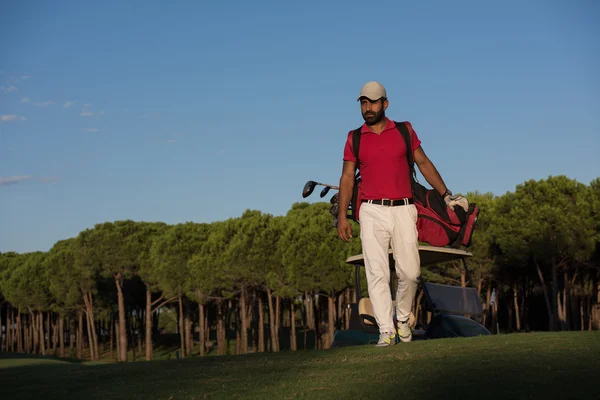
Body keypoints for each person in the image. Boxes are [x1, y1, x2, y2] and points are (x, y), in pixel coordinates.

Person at [336, 81, 468, 346]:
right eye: (363, 102)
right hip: (371, 210)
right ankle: (387, 330)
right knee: (377, 273)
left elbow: (423, 162)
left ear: (385, 104)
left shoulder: (405, 130)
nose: (368, 108)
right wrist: (342, 215)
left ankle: (402, 320)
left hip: (405, 208)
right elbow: (348, 177)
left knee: (410, 272)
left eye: (373, 102)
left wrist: (445, 194)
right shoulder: (355, 137)